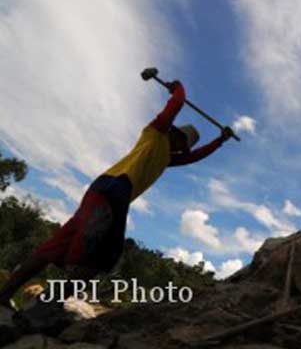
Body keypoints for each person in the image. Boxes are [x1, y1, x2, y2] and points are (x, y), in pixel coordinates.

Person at [0, 80, 233, 308]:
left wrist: (220, 141)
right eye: (179, 140)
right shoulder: (155, 133)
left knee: (60, 245)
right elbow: (176, 105)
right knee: (99, 258)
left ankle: (8, 297)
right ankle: (43, 310)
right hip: (114, 191)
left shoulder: (166, 158)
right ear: (175, 135)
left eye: (181, 144)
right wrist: (177, 89)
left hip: (102, 191)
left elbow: (195, 157)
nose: (179, 145)